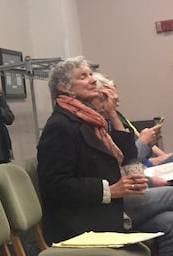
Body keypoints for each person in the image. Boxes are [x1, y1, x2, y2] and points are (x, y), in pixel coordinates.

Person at [37, 57, 172, 255]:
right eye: (83, 76)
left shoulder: (89, 120)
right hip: (85, 216)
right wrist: (109, 190)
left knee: (169, 221)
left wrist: (112, 112)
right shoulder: (60, 125)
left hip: (108, 205)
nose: (92, 80)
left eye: (91, 74)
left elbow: (127, 159)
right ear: (64, 87)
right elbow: (54, 185)